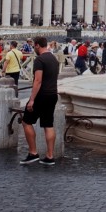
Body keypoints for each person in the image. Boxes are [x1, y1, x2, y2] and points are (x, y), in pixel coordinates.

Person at [20, 37, 59, 166]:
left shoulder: (39, 59)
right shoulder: (54, 59)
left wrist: (31, 100)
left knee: (26, 122)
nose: (33, 49)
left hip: (41, 95)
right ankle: (50, 156)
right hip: (53, 94)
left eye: (34, 46)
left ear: (37, 45)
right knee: (48, 125)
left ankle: (33, 153)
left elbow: (38, 80)